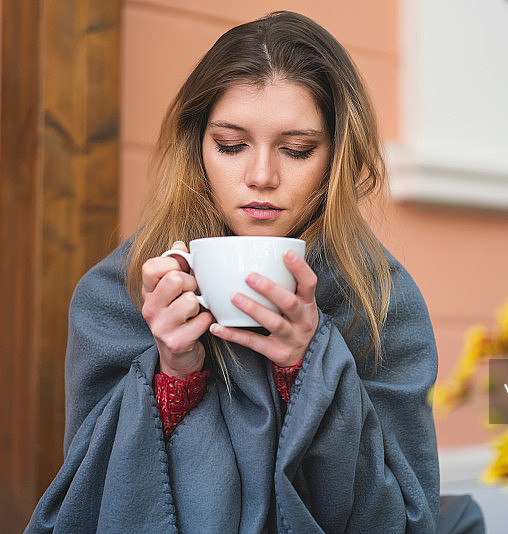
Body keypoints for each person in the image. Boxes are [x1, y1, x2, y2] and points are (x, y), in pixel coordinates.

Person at [25, 10, 484, 534]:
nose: (261, 176)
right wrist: (173, 375)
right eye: (231, 145)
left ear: (337, 156)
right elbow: (86, 504)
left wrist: (309, 369)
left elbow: (401, 517)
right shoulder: (118, 293)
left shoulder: (381, 300)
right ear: (196, 147)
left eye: (296, 150)